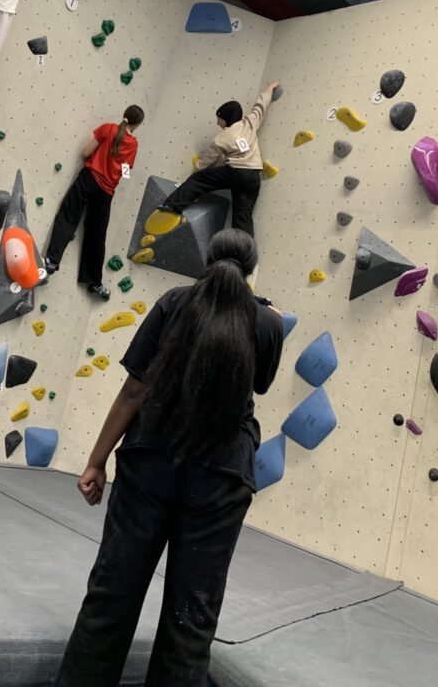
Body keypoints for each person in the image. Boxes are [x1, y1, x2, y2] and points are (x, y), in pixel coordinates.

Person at [54, 229, 284, 687]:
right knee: (191, 619)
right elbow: (259, 385)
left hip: (151, 463)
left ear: (206, 260)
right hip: (221, 479)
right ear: (251, 273)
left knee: (110, 599)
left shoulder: (173, 303)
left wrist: (96, 461)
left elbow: (134, 390)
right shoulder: (267, 322)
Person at [45, 106, 144, 301]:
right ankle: (94, 281)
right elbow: (125, 172)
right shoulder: (133, 145)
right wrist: (114, 170)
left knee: (68, 215)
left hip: (89, 178)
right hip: (106, 191)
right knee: (97, 235)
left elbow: (85, 152)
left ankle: (52, 260)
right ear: (137, 124)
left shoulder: (107, 129)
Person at [157, 82, 280, 238]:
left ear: (227, 119)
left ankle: (171, 206)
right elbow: (260, 105)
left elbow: (208, 164)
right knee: (243, 214)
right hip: (254, 177)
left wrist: (196, 168)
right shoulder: (250, 122)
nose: (218, 123)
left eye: (219, 119)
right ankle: (244, 249)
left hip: (236, 173)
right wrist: (269, 89)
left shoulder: (221, 138)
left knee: (198, 179)